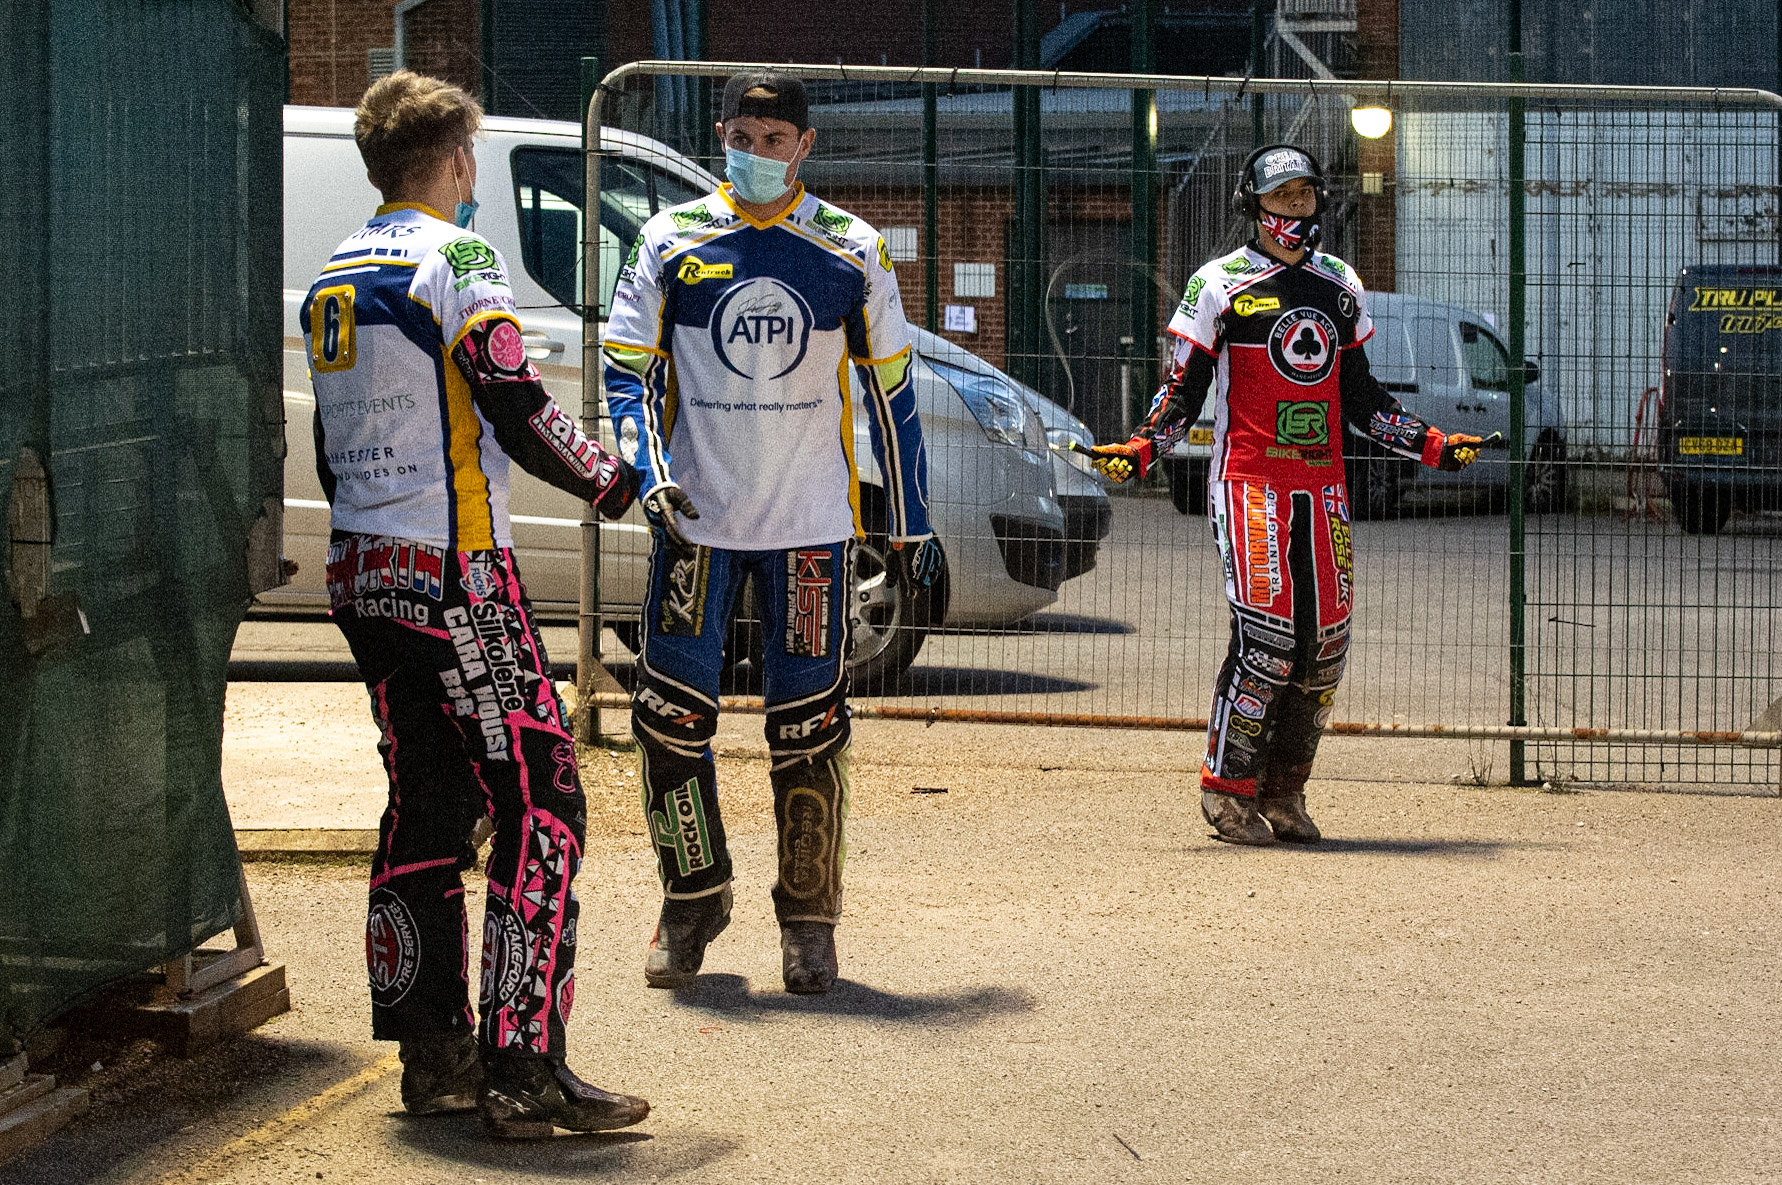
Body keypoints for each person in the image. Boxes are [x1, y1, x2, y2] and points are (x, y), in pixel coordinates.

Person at [301, 71, 650, 1138]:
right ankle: (523, 1065)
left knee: (427, 800)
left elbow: (328, 448)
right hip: (456, 570)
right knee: (547, 798)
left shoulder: (335, 273)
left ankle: (433, 1055)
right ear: (457, 161)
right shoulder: (456, 259)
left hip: (365, 568)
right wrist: (618, 481)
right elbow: (517, 406)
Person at [602, 70, 939, 994]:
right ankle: (692, 896)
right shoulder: (669, 239)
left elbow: (893, 391)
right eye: (741, 134)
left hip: (809, 530)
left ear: (806, 146)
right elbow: (626, 371)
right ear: (721, 133)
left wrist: (909, 519)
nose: (755, 152)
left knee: (810, 726)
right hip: (696, 528)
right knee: (668, 718)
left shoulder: (851, 249)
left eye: (773, 137)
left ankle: (808, 919)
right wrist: (650, 474)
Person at [1088, 144, 1485, 846]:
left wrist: (1432, 443)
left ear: (1319, 201)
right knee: (1268, 638)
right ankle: (1226, 788)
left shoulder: (1340, 285)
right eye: (1280, 198)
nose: (1292, 211)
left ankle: (1286, 788)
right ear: (1253, 203)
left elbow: (1362, 398)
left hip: (1323, 487)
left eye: (1303, 196)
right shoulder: (1219, 283)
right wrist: (1142, 447)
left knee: (1325, 644)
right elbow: (1183, 393)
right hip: (1249, 483)